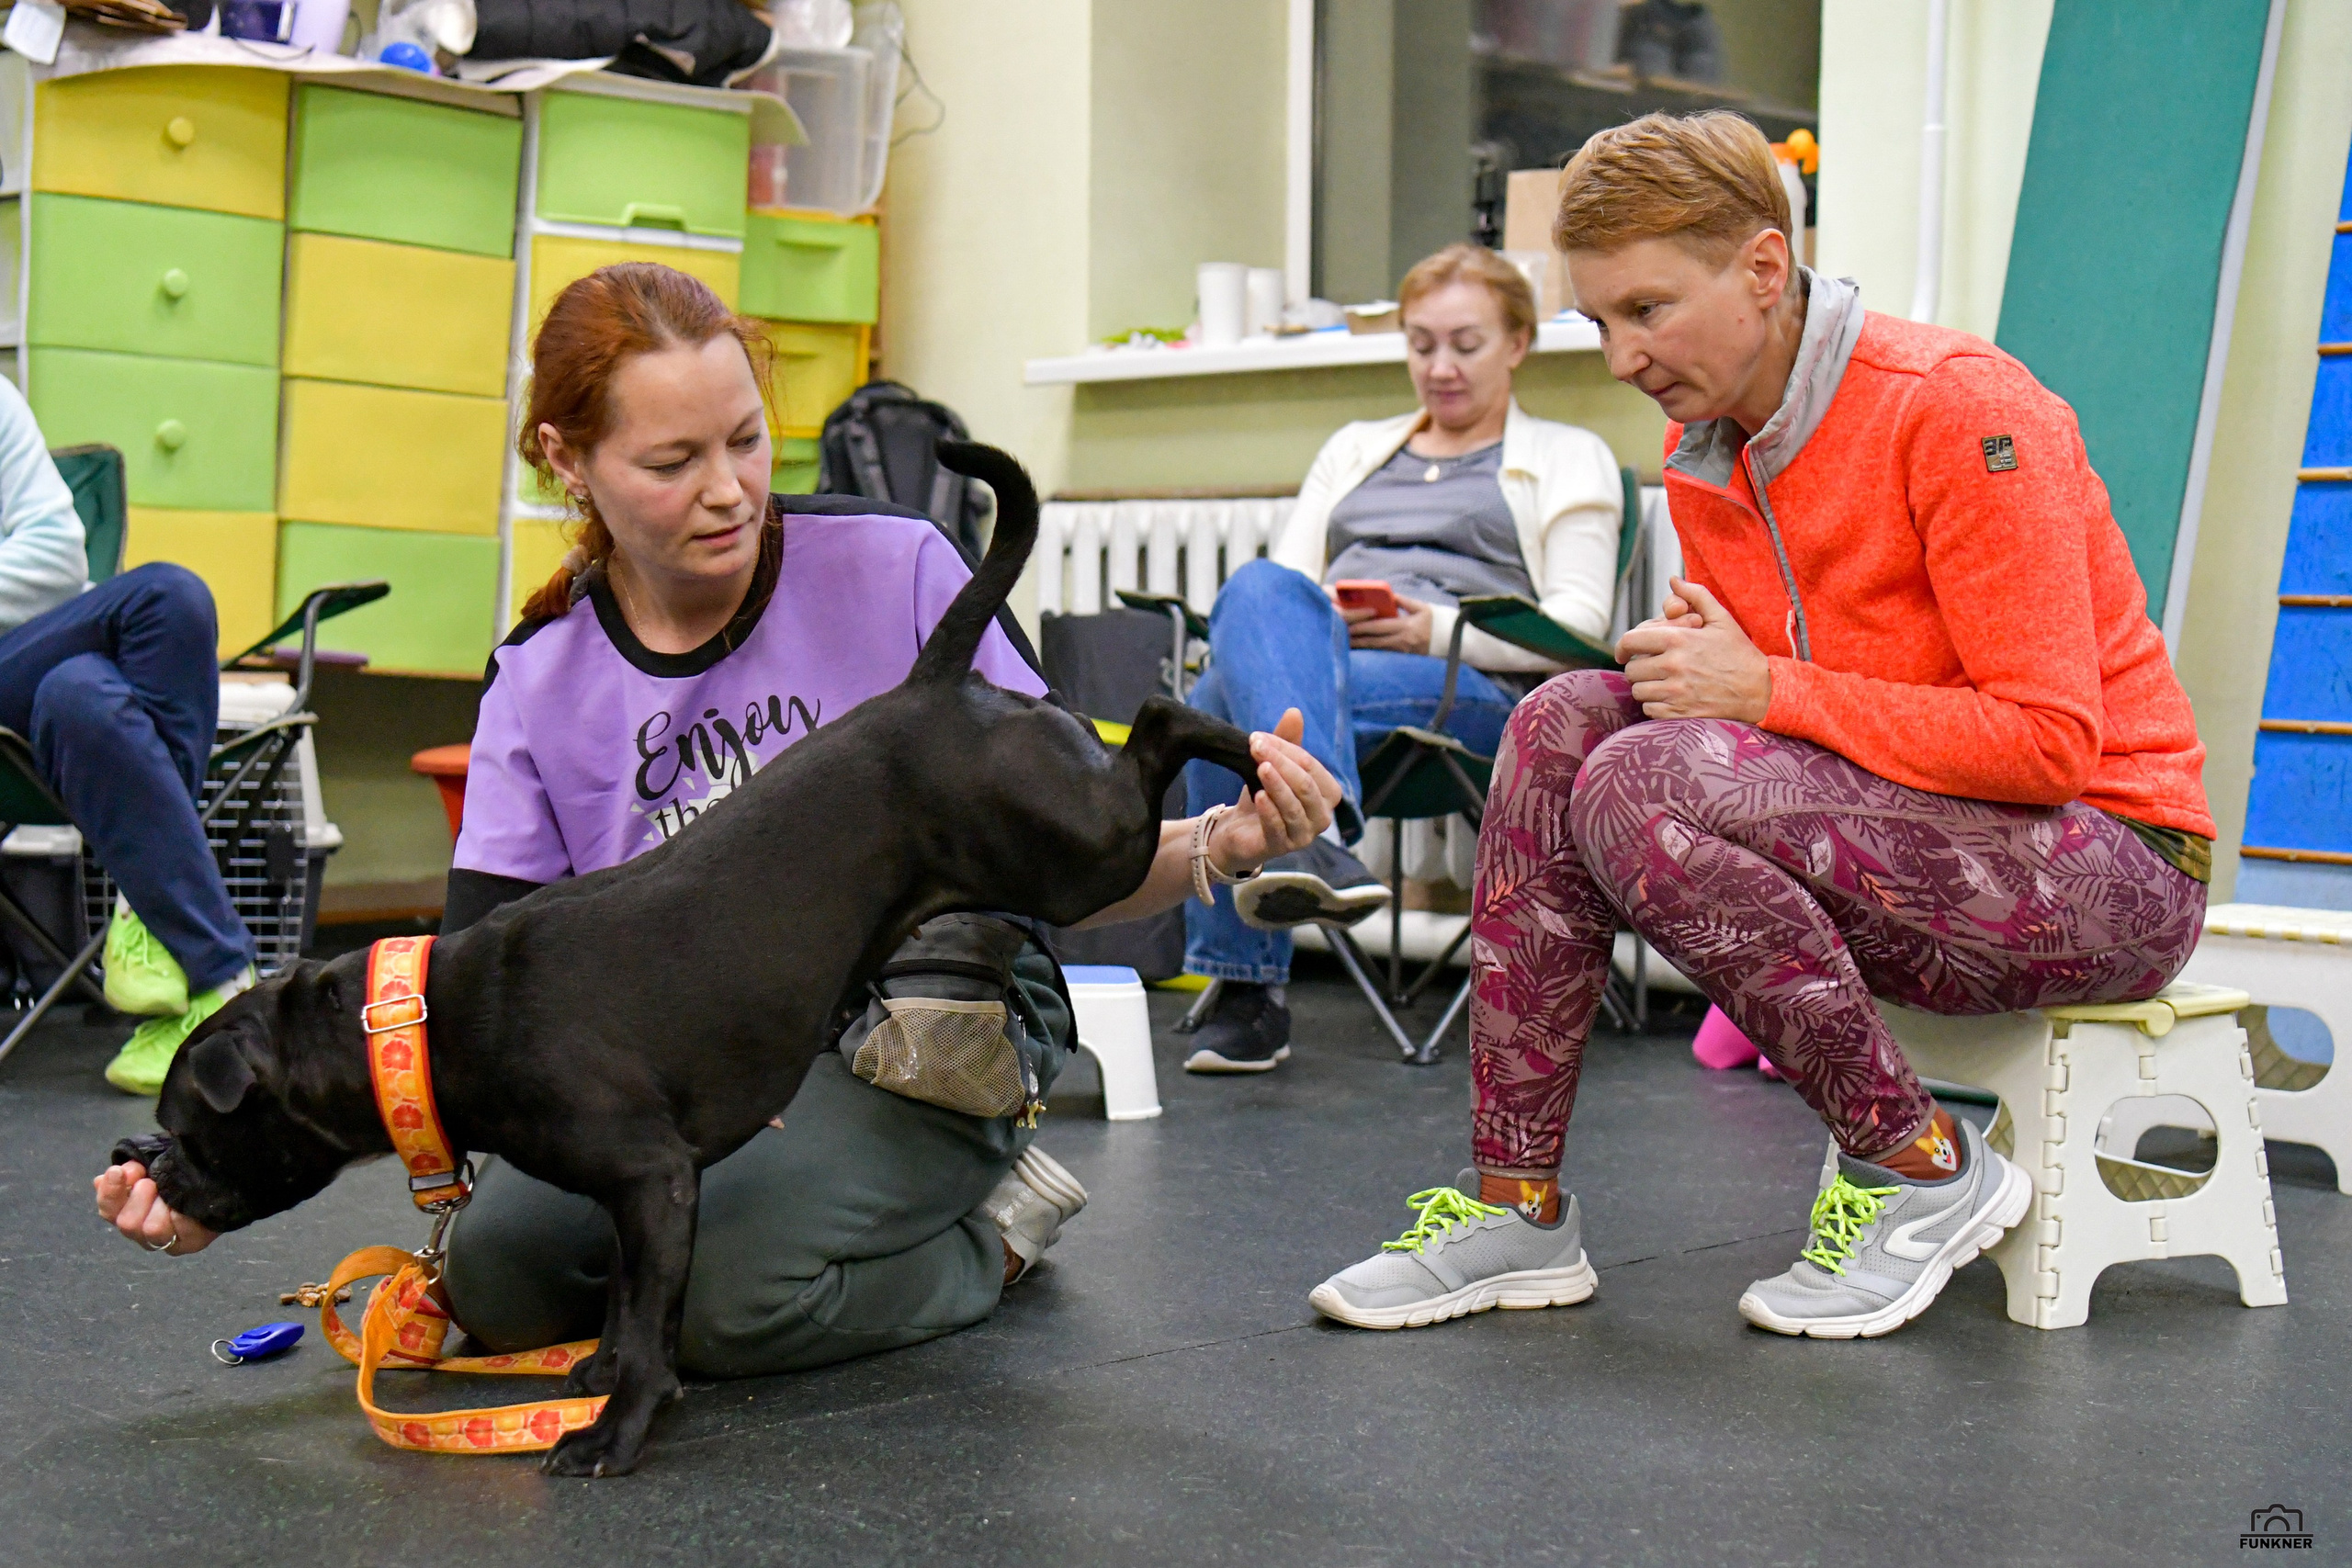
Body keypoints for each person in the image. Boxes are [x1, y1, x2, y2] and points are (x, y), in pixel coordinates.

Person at [96, 263, 1345, 1373]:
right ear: (565, 460)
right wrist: (219, 1178)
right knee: (506, 1281)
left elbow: (1063, 859)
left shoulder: (900, 568)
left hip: (929, 1028)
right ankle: (787, 1206)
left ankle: (991, 1238)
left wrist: (1211, 849)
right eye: (672, 461)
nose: (729, 491)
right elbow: (465, 1031)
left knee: (716, 1303)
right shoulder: (541, 674)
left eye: (746, 442)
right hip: (677, 1067)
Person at [1310, 111, 2214, 1339]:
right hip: (1920, 838)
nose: (1622, 357)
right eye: (1598, 322)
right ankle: (1517, 1205)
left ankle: (1920, 1164)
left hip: (2111, 863)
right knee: (1564, 720)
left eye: (1647, 311)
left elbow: (2049, 743)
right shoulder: (1707, 448)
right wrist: (1724, 667)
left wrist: (1764, 690)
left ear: (1762, 270)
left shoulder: (1961, 411)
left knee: (1643, 780)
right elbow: (1805, 706)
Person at [1179, 243, 1623, 1075]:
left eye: (1466, 343)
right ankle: (1316, 840)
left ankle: (1250, 987)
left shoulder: (1570, 455)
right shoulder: (1355, 447)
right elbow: (1287, 584)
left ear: (1518, 342)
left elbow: (1580, 625)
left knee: (1214, 704)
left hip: (1473, 688)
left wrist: (1435, 628)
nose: (1440, 367)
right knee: (1256, 594)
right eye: (1422, 345)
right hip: (1329, 667)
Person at [0, 379, 257, 1093]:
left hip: (31, 673)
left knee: (82, 693)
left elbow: (58, 563)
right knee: (162, 594)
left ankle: (169, 936)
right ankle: (221, 973)